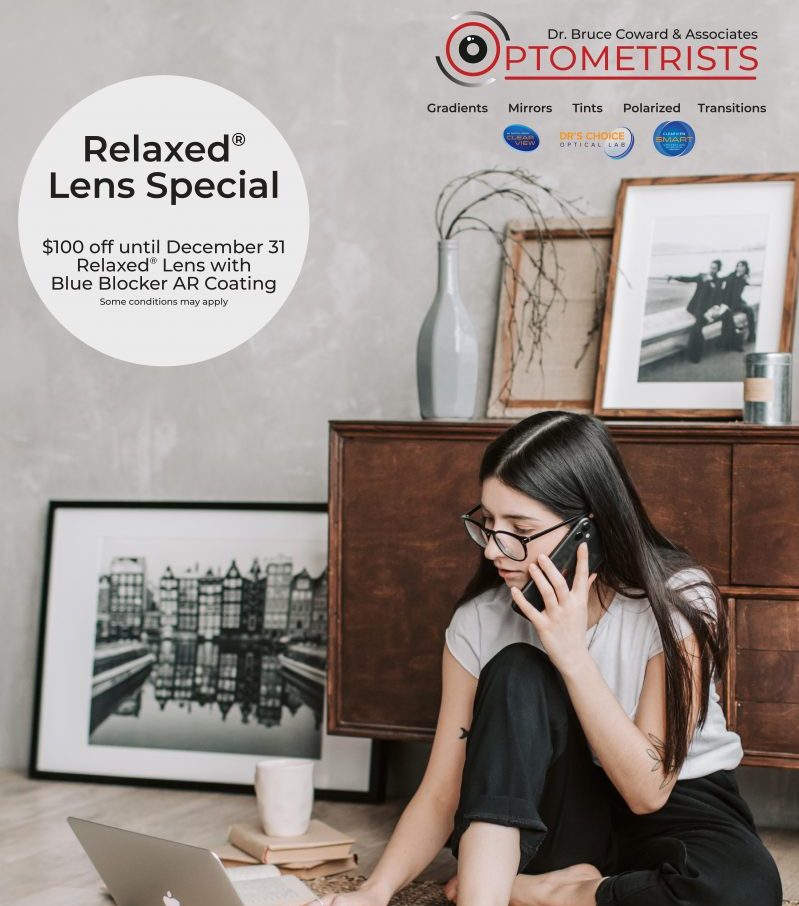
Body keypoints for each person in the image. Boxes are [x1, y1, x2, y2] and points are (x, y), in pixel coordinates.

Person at [318, 411, 783, 906]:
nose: (496, 549)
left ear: (590, 530)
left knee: (742, 892)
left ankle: (554, 894)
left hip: (678, 800)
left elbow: (649, 791)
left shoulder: (677, 602)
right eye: (488, 522)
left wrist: (572, 654)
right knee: (518, 667)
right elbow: (441, 792)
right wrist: (375, 891)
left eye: (519, 528)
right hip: (556, 809)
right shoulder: (479, 622)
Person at [666, 260, 724, 364]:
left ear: (718, 270)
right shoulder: (702, 276)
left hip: (707, 310)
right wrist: (674, 277)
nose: (712, 270)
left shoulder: (719, 281)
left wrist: (716, 308)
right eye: (711, 267)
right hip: (695, 307)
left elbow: (719, 297)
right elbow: (687, 279)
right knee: (697, 328)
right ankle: (695, 355)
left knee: (697, 329)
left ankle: (695, 355)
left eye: (714, 268)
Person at [720, 260, 756, 351]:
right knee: (732, 320)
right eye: (738, 266)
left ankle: (752, 335)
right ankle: (731, 343)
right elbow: (728, 289)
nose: (740, 268)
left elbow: (740, 290)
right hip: (728, 302)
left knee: (750, 310)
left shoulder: (744, 278)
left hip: (737, 302)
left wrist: (744, 279)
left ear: (746, 268)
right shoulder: (731, 276)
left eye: (742, 266)